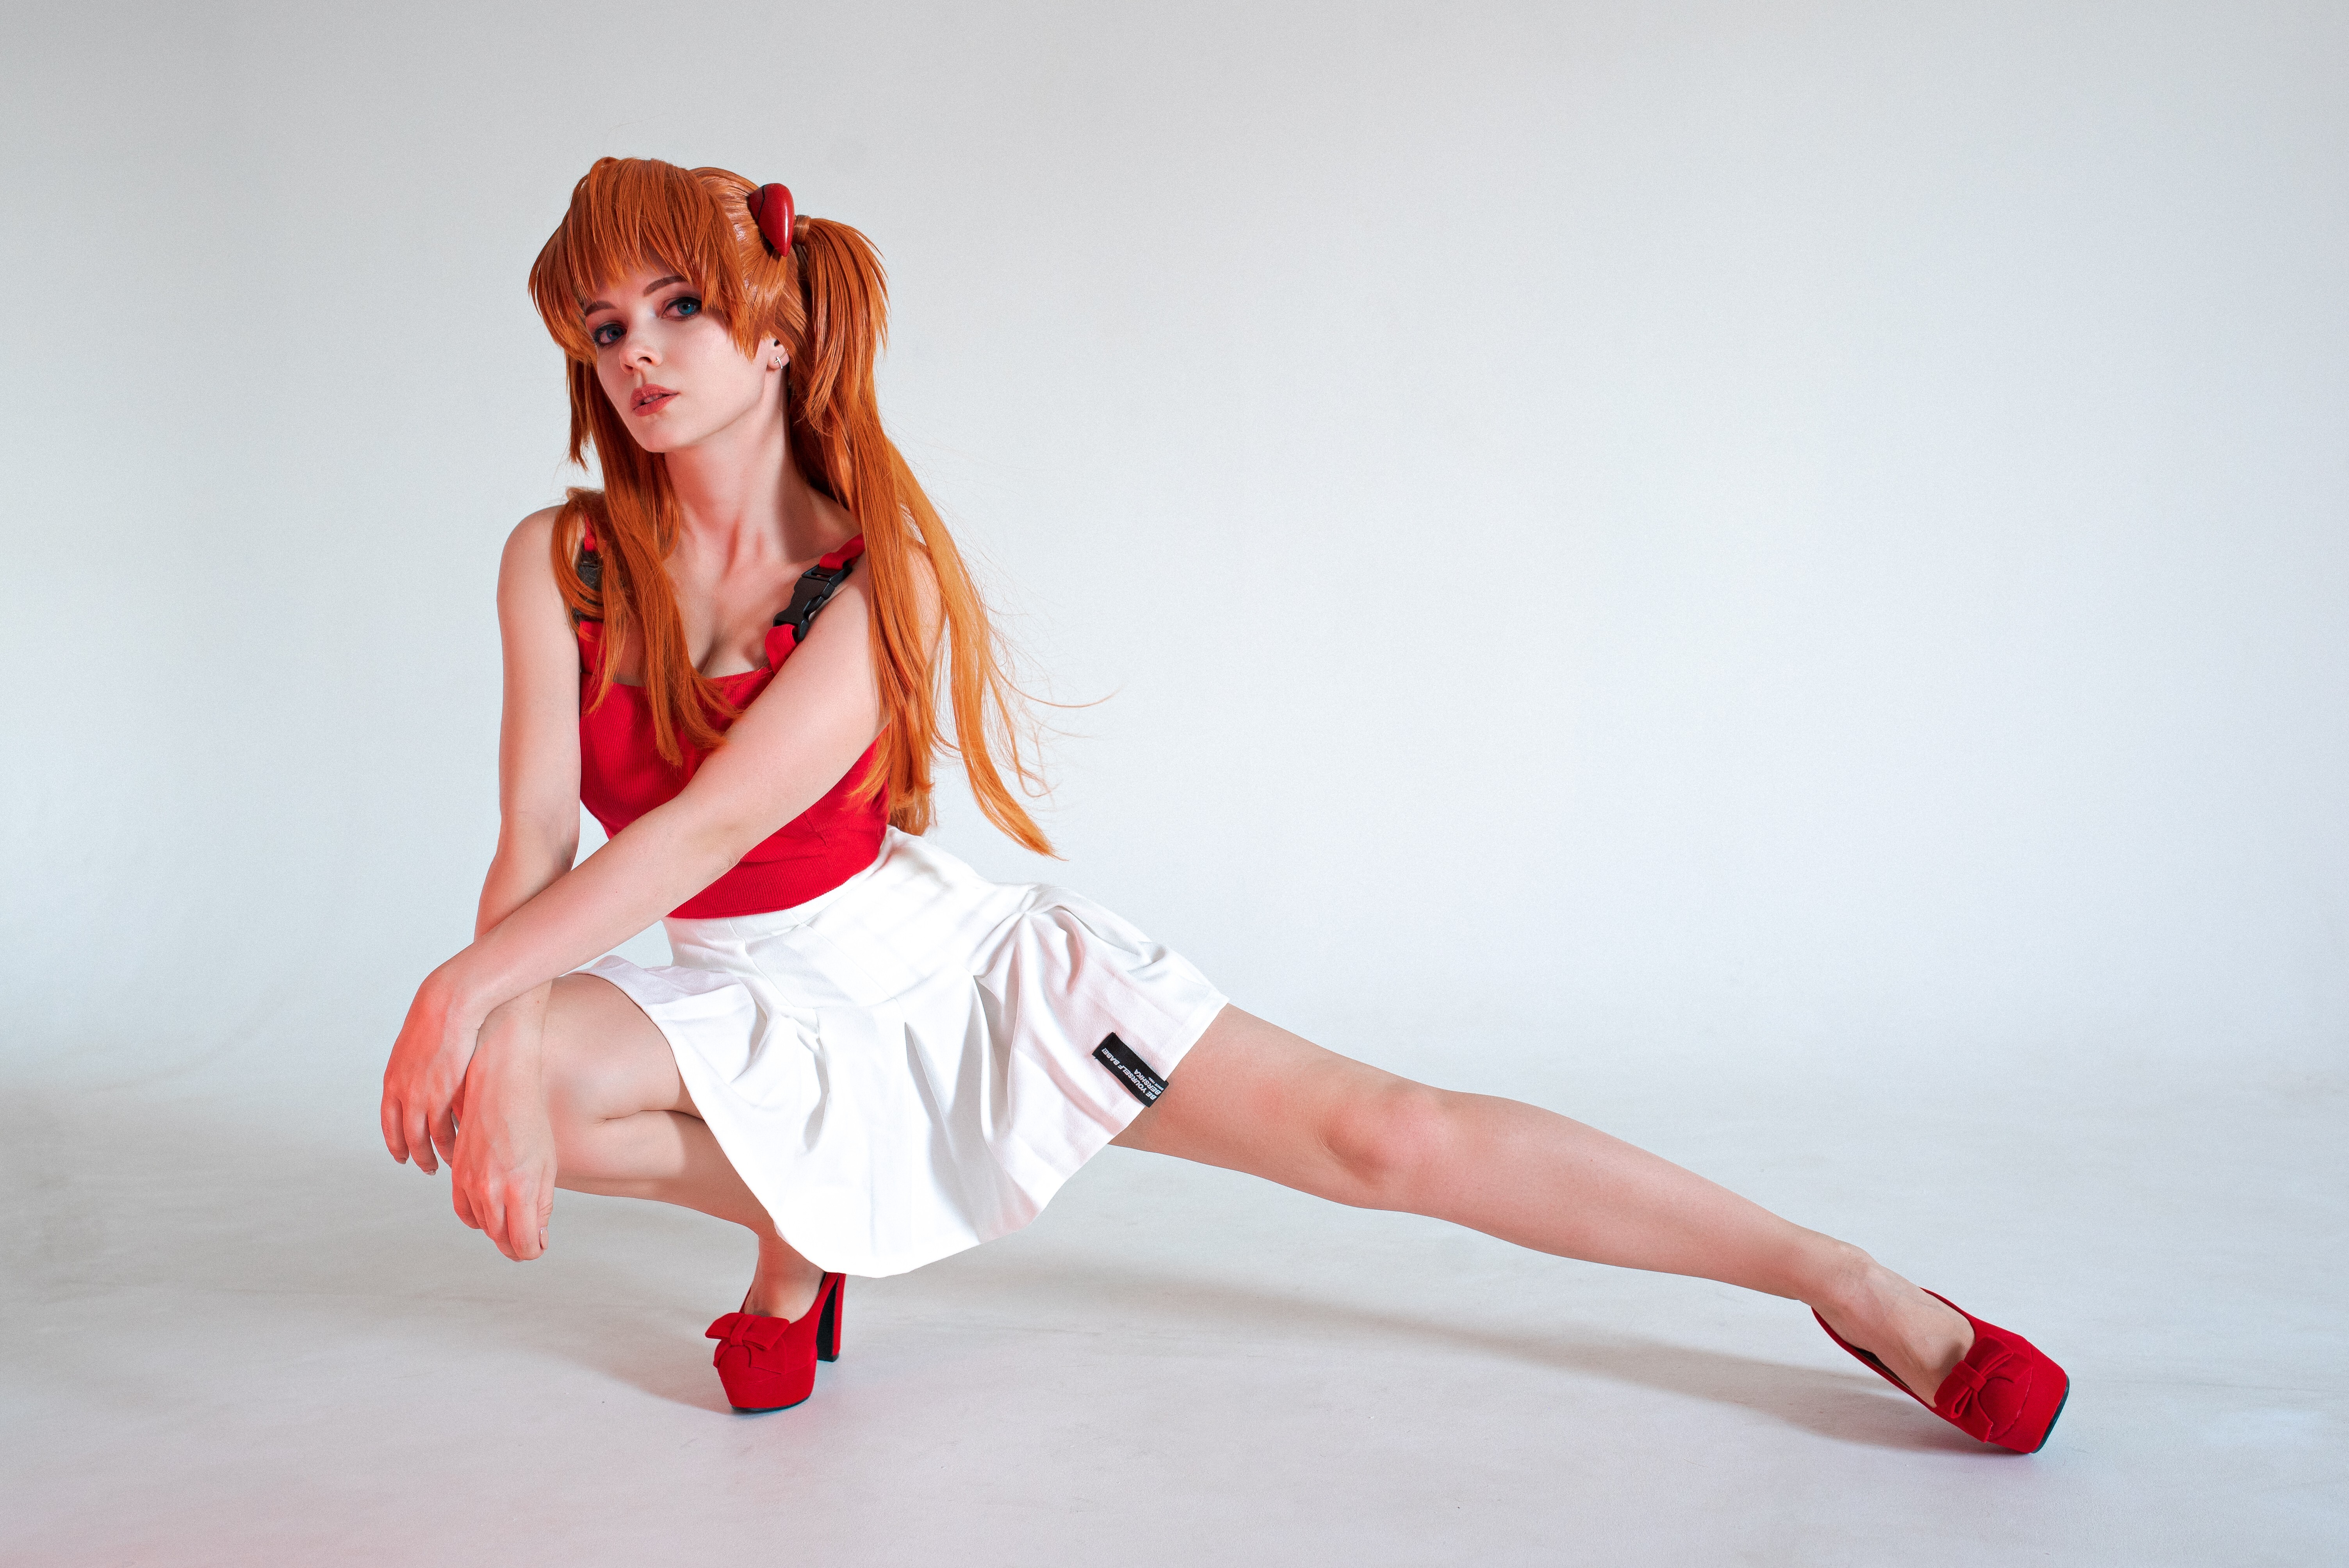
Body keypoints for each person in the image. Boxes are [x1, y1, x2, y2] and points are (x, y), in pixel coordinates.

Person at [378, 156, 2067, 1449]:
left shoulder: (875, 581)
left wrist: (462, 999)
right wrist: (493, 1042)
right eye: (603, 329)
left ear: (769, 322)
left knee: (1384, 1136)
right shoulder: (560, 558)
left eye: (674, 307)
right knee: (507, 1088)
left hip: (931, 970)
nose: (638, 355)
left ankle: (1841, 1279)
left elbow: (709, 830)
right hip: (723, 983)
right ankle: (811, 1237)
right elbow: (538, 838)